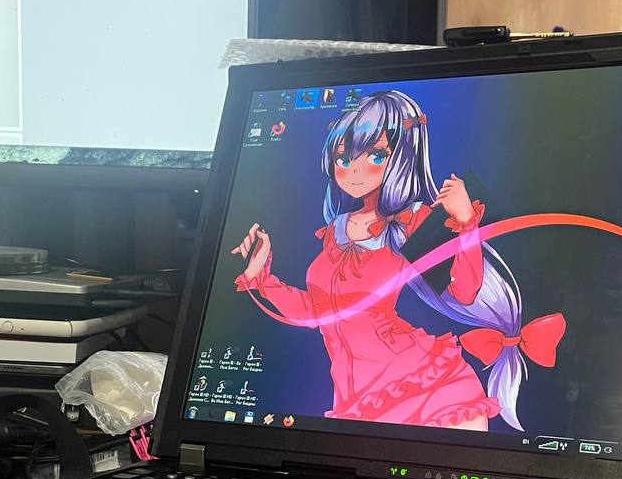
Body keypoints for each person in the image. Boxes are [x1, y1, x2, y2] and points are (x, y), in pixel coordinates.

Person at [231, 89, 563, 431]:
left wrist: (465, 222)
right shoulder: (336, 228)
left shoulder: (411, 222)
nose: (354, 170)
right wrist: (262, 277)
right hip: (356, 399)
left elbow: (465, 291)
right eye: (343, 158)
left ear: (402, 156)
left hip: (426, 387)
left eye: (375, 155)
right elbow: (317, 312)